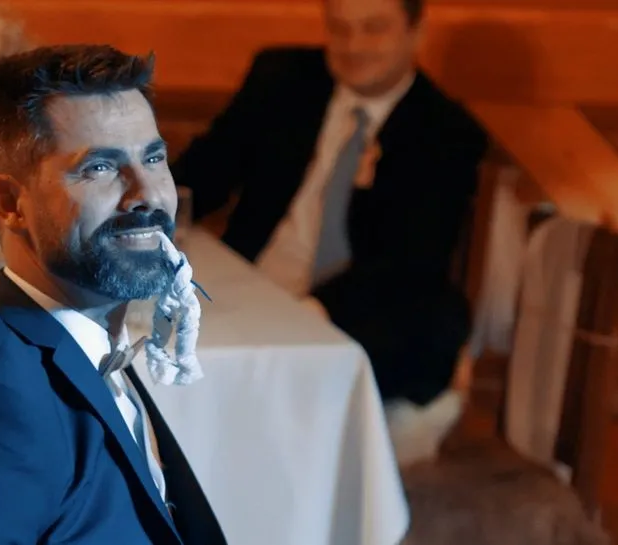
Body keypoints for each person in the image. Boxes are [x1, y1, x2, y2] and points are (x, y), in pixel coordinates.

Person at [0, 45, 226, 545]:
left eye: (154, 158)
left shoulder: (96, 348)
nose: (147, 193)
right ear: (10, 203)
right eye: (100, 167)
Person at [171, 0, 488, 459]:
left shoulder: (445, 132)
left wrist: (312, 311)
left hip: (355, 306)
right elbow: (206, 172)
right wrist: (142, 219)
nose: (354, 46)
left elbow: (412, 259)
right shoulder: (283, 79)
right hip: (254, 280)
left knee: (426, 315)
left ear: (416, 31)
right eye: (340, 29)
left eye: (374, 29)